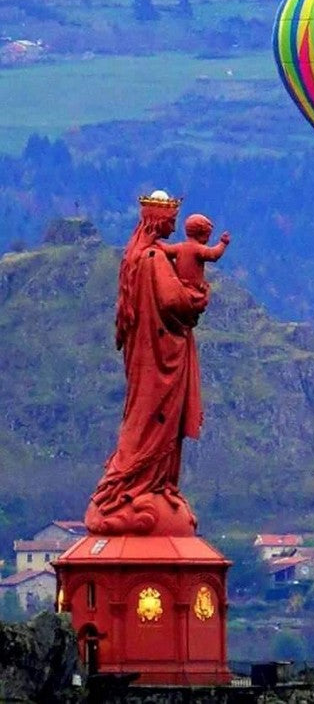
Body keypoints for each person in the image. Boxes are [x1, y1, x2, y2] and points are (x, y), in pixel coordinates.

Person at [85, 192, 208, 536]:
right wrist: (197, 296)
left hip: (148, 354)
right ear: (158, 221)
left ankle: (150, 483)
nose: (174, 226)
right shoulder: (153, 257)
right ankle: (143, 482)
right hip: (162, 357)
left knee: (145, 417)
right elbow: (174, 302)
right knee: (157, 421)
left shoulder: (135, 256)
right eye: (170, 221)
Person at [159, 213, 230, 311]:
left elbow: (166, 249)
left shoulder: (179, 247)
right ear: (201, 233)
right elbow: (213, 255)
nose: (208, 239)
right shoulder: (198, 249)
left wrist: (154, 241)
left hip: (180, 289)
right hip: (193, 292)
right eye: (207, 235)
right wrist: (223, 243)